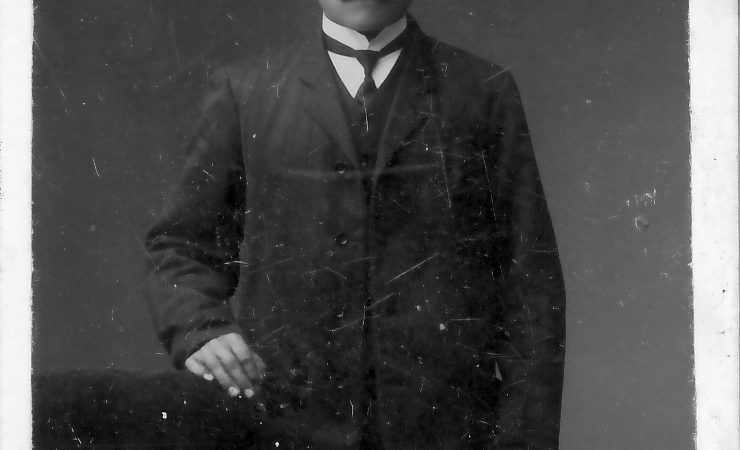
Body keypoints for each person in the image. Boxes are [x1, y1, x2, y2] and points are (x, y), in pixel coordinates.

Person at [145, 0, 566, 448]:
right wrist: (201, 329)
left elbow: (531, 281)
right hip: (286, 419)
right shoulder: (246, 89)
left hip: (444, 427)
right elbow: (180, 246)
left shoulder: (482, 90)